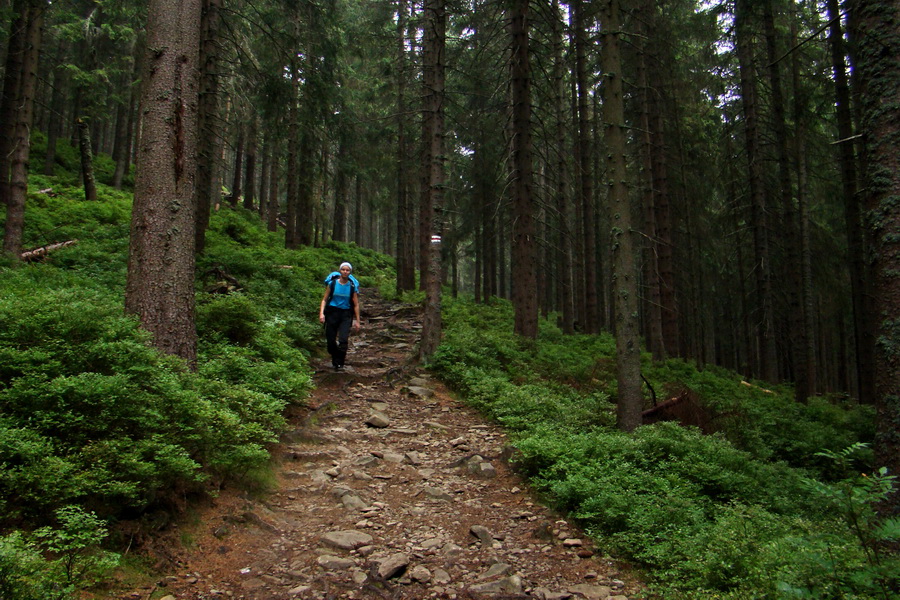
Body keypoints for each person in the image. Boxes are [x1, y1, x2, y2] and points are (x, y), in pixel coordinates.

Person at [319, 262, 361, 370]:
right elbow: (324, 299)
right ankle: (334, 357)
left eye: (347, 270)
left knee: (343, 340)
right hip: (332, 313)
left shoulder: (352, 287)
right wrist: (321, 314)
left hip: (345, 314)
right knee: (330, 341)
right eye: (343, 270)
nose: (345, 272)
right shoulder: (332, 284)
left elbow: (356, 304)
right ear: (340, 270)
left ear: (350, 272)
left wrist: (358, 321)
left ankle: (339, 363)